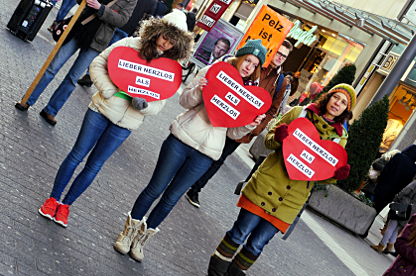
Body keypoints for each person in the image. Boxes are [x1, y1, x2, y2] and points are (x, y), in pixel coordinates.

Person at [197, 84, 356, 276]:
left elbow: (321, 174)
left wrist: (335, 176)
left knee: (256, 246)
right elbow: (269, 139)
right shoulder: (299, 113)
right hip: (267, 184)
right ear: (328, 97)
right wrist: (278, 137)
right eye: (335, 97)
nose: (337, 103)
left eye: (343, 102)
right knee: (238, 233)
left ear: (346, 110)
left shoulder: (341, 138)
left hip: (291, 200)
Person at [113, 39, 268, 262]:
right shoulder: (213, 71)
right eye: (248, 60)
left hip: (207, 154)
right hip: (181, 139)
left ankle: (141, 240)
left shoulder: (248, 94)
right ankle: (127, 233)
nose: (249, 67)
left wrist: (250, 124)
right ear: (239, 57)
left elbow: (233, 133)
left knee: (171, 198)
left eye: (254, 65)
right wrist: (199, 90)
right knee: (155, 188)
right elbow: (185, 101)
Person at [37, 15, 193, 227]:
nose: (166, 43)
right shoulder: (129, 44)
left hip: (126, 123)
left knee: (94, 166)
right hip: (101, 110)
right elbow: (98, 63)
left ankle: (66, 205)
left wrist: (146, 105)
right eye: (165, 36)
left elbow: (161, 101)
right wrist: (108, 90)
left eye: (173, 40)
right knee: (77, 155)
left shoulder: (169, 67)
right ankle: (52, 198)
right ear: (156, 31)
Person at [185, 40, 294, 208]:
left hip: (243, 128)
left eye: (284, 56)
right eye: (279, 53)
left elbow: (273, 109)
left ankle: (196, 188)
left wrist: (256, 128)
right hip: (225, 113)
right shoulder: (254, 66)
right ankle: (186, 177)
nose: (280, 58)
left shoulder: (281, 82)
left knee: (219, 159)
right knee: (205, 147)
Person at [15, 0, 138, 126]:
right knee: (52, 68)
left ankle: (51, 110)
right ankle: (28, 99)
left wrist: (101, 8)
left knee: (73, 78)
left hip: (97, 40)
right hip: (79, 27)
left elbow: (122, 20)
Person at [77, 0, 160, 87]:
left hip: (116, 25)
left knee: (101, 50)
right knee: (107, 53)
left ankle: (90, 74)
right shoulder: (153, 2)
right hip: (123, 28)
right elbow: (146, 18)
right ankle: (92, 75)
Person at [371, 169, 416, 255]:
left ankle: (381, 246)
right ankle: (390, 246)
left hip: (403, 207)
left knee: (391, 226)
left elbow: (405, 191)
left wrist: (397, 199)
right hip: (413, 213)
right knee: (396, 229)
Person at [373, 144, 416, 213]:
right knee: (377, 210)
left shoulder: (398, 156)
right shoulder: (414, 169)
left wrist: (379, 180)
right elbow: (406, 183)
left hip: (382, 186)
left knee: (370, 205)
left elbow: (386, 169)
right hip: (392, 193)